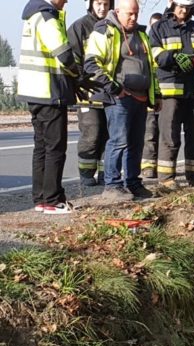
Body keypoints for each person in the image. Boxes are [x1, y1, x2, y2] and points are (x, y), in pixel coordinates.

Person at [17, 0, 97, 214]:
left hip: (35, 92)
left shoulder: (33, 16)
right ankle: (53, 201)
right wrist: (78, 77)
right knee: (55, 147)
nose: (67, 1)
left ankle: (41, 198)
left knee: (42, 147)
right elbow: (63, 54)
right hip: (49, 92)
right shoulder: (47, 17)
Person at [84, 0, 161, 201]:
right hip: (119, 98)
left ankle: (133, 183)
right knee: (118, 141)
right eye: (129, 14)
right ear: (117, 12)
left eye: (136, 14)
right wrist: (114, 88)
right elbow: (92, 64)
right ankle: (112, 185)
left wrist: (156, 95)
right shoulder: (104, 31)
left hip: (141, 98)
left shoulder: (142, 34)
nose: (134, 18)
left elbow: (151, 68)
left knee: (136, 142)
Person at [149, 0, 194, 189]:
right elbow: (155, 54)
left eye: (187, 7)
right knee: (169, 136)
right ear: (172, 4)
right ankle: (166, 178)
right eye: (180, 6)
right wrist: (173, 57)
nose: (183, 10)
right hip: (170, 92)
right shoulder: (159, 28)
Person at [68, 0, 112, 187]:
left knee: (109, 135)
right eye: (99, 3)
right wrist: (82, 82)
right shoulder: (79, 27)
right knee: (91, 133)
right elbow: (73, 60)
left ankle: (106, 173)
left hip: (110, 92)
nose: (102, 8)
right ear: (91, 4)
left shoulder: (114, 27)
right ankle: (86, 173)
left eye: (106, 4)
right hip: (88, 93)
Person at [139, 11, 165, 179]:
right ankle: (148, 167)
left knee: (164, 134)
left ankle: (163, 167)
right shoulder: (144, 45)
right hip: (149, 96)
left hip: (166, 96)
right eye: (153, 25)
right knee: (149, 133)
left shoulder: (167, 46)